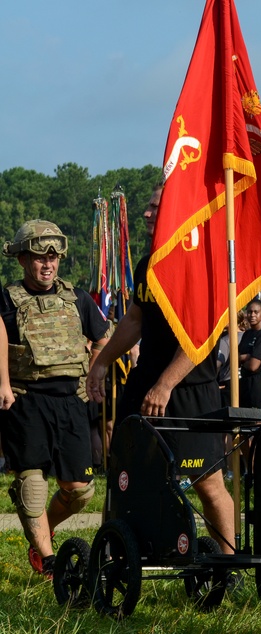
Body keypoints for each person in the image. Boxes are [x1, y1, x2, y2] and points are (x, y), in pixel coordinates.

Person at [86, 183, 235, 557]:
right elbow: (136, 318)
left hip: (189, 388)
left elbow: (204, 331)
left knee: (208, 482)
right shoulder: (147, 262)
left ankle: (228, 565)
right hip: (144, 385)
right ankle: (113, 556)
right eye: (149, 207)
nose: (147, 214)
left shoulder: (200, 263)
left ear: (178, 212)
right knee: (125, 476)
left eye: (155, 208)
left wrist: (167, 383)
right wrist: (102, 361)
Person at [0, 220, 109, 577]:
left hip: (71, 400)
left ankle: (41, 532)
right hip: (26, 399)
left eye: (53, 258)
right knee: (31, 483)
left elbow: (104, 338)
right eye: (38, 258)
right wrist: (3, 385)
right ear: (21, 260)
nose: (47, 265)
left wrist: (95, 372)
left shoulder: (77, 298)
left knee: (80, 492)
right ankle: (49, 563)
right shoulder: (6, 299)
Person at [238, 300, 261, 410]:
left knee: (258, 420)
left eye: (256, 312)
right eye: (249, 312)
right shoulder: (247, 334)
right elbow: (235, 358)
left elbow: (253, 366)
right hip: (246, 384)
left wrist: (243, 359)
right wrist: (247, 357)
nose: (252, 315)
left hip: (260, 385)